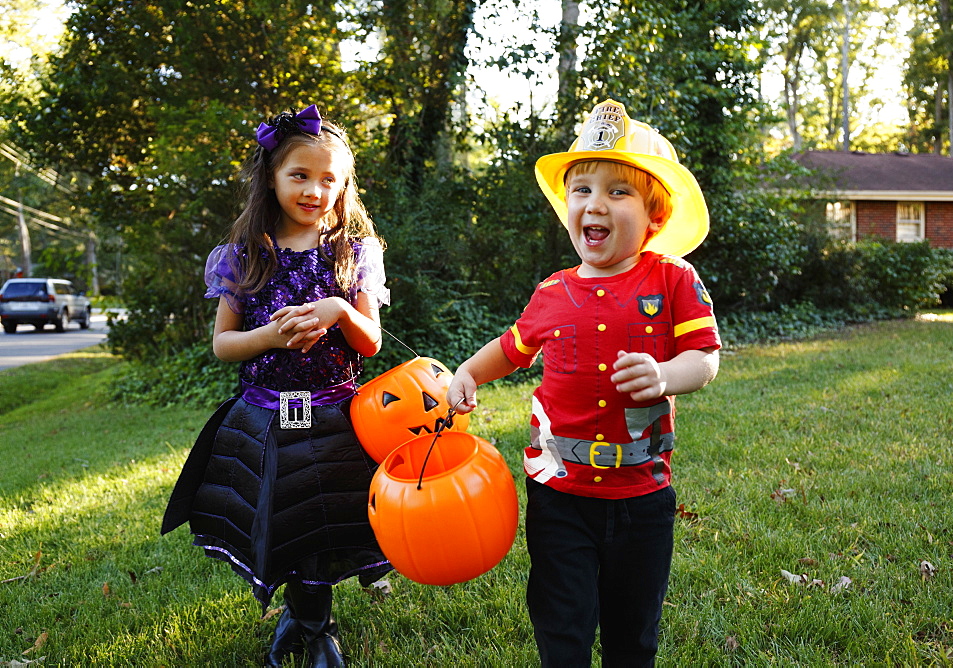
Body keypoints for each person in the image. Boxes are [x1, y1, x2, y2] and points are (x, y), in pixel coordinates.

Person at [446, 99, 721, 667]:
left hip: (641, 495)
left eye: (618, 192)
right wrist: (469, 372)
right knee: (561, 624)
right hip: (559, 494)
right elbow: (510, 348)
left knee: (632, 633)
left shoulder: (672, 279)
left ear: (655, 217)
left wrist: (666, 374)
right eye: (582, 190)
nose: (596, 204)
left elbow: (704, 357)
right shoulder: (552, 292)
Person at [161, 104, 391, 668]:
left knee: (327, 516)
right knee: (290, 511)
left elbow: (371, 344)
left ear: (343, 187)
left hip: (338, 408)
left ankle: (314, 627)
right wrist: (270, 336)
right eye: (300, 175)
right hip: (276, 409)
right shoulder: (245, 257)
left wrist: (339, 308)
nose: (315, 190)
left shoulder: (353, 252)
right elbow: (224, 345)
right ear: (272, 177)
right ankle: (308, 622)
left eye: (329, 180)